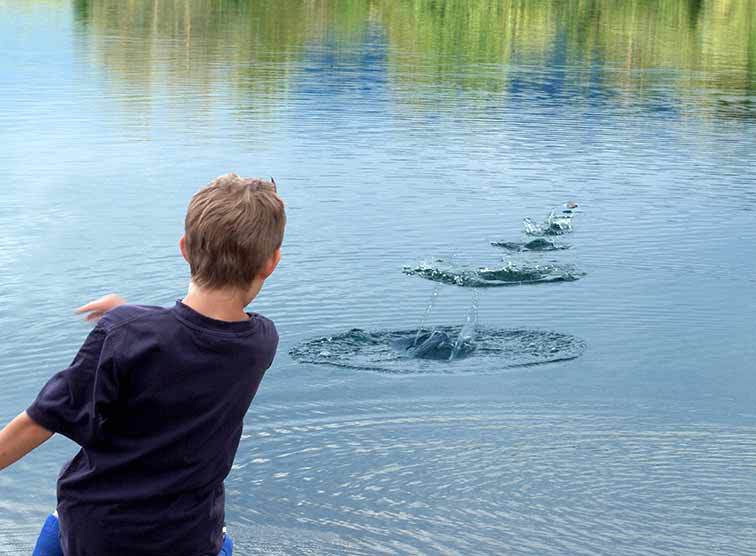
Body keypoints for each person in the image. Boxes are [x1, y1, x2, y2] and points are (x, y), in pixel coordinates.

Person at [0, 173, 286, 555]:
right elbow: (194, 334)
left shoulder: (125, 334)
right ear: (271, 263)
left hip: (100, 534)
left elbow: (42, 421)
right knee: (224, 544)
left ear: (184, 248)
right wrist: (129, 316)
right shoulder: (261, 342)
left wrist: (123, 320)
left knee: (59, 522)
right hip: (191, 536)